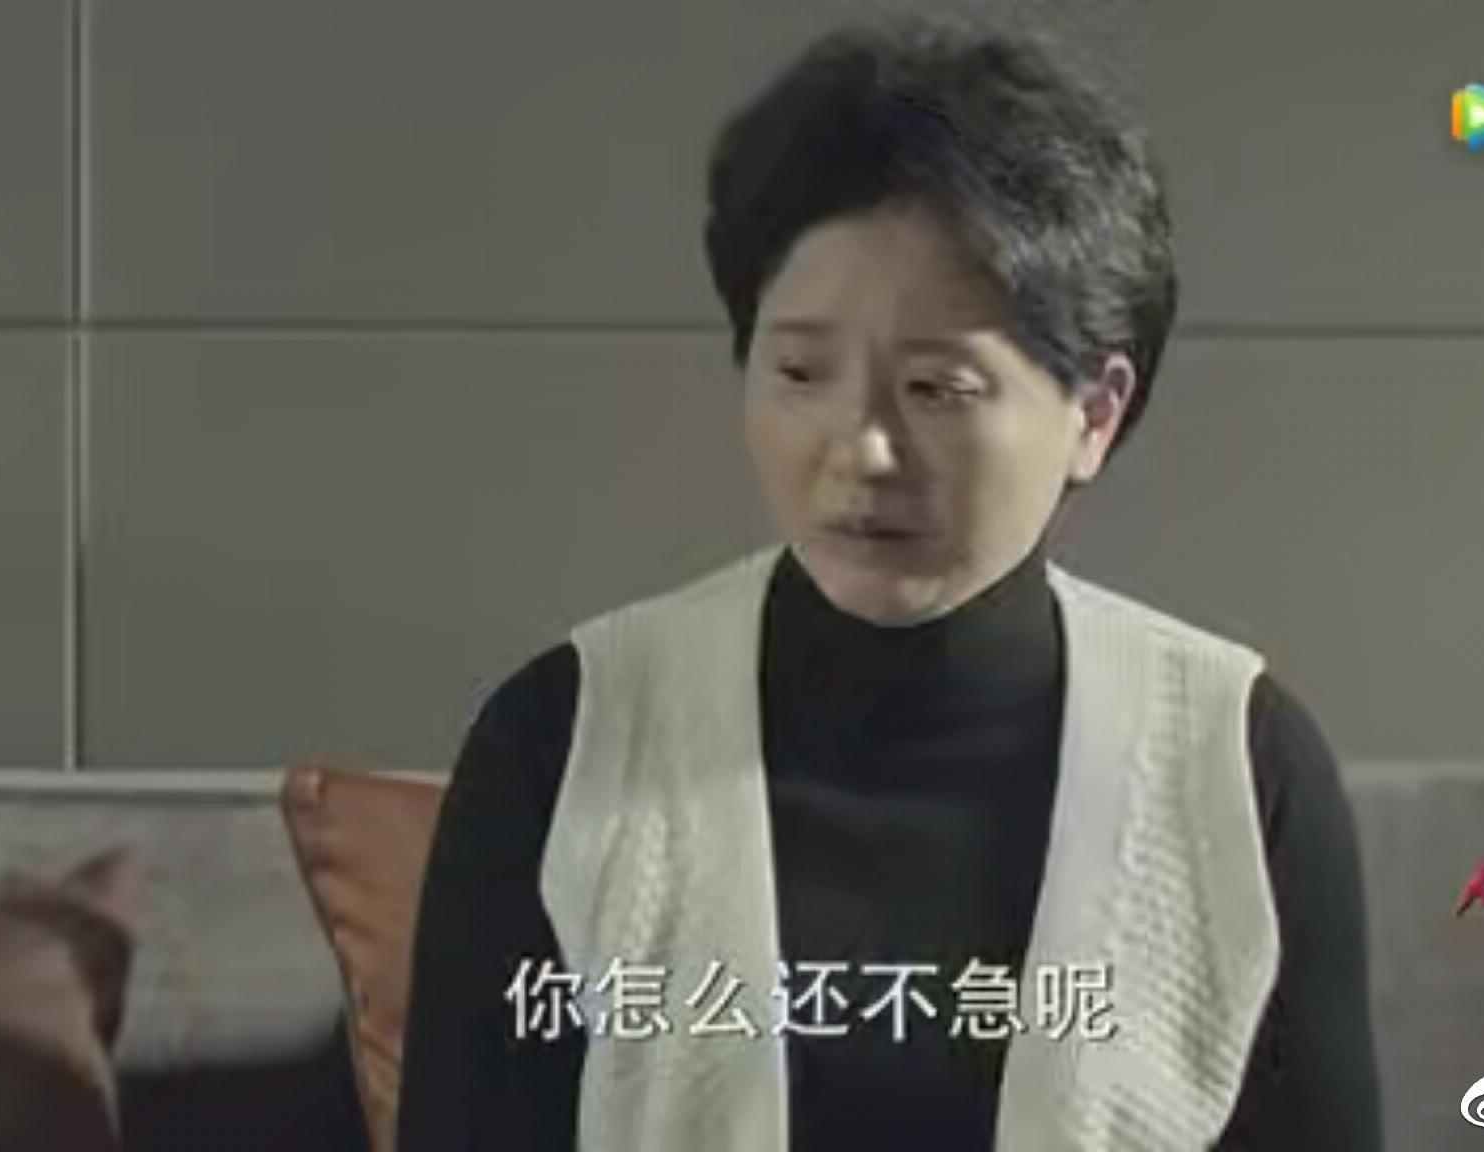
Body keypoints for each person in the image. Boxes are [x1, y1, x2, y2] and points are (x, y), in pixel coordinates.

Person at [398, 19, 1381, 1152]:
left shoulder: (1234, 765)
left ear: (1093, 413)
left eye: (935, 387)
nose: (860, 449)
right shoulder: (567, 735)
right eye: (800, 371)